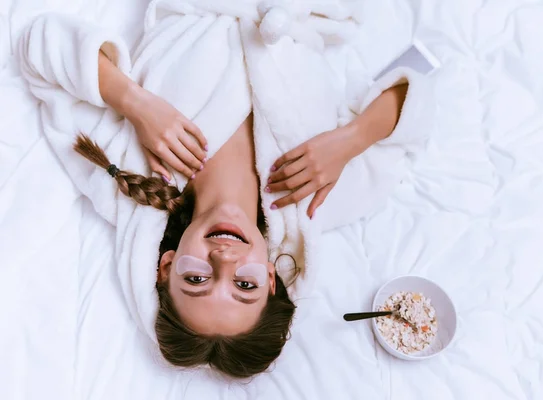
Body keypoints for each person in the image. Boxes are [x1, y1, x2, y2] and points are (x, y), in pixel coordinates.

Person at [19, 1, 425, 378]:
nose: (223, 260)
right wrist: (351, 139)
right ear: (270, 279)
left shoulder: (131, 177)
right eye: (244, 286)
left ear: (166, 267)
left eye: (196, 280)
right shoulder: (319, 199)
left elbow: (40, 45)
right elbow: (420, 97)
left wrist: (136, 103)